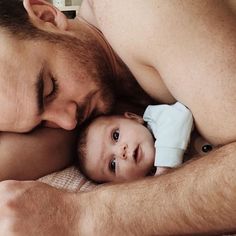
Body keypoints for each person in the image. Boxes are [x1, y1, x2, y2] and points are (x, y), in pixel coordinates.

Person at [0, 0, 236, 235]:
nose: (68, 122)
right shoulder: (97, 94)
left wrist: (82, 217)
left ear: (47, 16)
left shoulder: (139, 10)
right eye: (42, 124)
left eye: (50, 89)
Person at [76, 102, 193, 183]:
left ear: (134, 118)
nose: (120, 151)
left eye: (116, 136)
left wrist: (164, 169)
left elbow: (180, 116)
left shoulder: (158, 118)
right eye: (113, 164)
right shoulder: (150, 189)